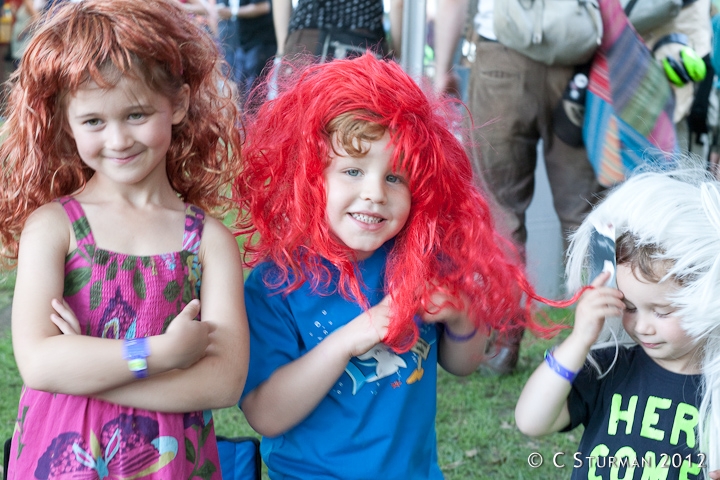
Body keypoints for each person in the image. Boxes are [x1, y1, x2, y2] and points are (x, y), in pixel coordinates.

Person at [234, 52, 575, 479]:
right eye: (353, 171)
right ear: (309, 176)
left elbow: (463, 363)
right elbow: (265, 413)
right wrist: (350, 339)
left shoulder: (421, 259)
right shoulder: (275, 284)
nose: (375, 193)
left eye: (395, 177)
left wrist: (462, 313)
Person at [0, 0, 249, 477]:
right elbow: (39, 362)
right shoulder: (54, 228)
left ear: (176, 103)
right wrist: (164, 355)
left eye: (136, 114)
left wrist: (87, 372)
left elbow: (224, 380)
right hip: (63, 459)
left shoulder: (207, 242)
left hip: (173, 462)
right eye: (94, 121)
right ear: (66, 123)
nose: (117, 140)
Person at [434, 0, 606, 375]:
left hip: (502, 55)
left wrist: (442, 66)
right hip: (577, 56)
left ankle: (502, 342)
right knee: (584, 213)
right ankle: (595, 343)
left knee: (500, 210)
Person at [516, 168, 720, 478]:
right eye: (628, 307)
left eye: (661, 311)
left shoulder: (714, 393)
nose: (642, 326)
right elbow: (531, 421)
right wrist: (578, 342)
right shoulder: (609, 367)